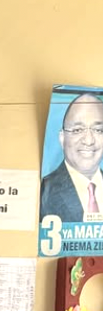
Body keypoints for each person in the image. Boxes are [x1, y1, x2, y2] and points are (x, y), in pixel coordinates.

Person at [39, 90, 103, 223]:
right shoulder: (44, 190)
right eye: (78, 130)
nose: (89, 140)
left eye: (98, 130)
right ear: (62, 138)